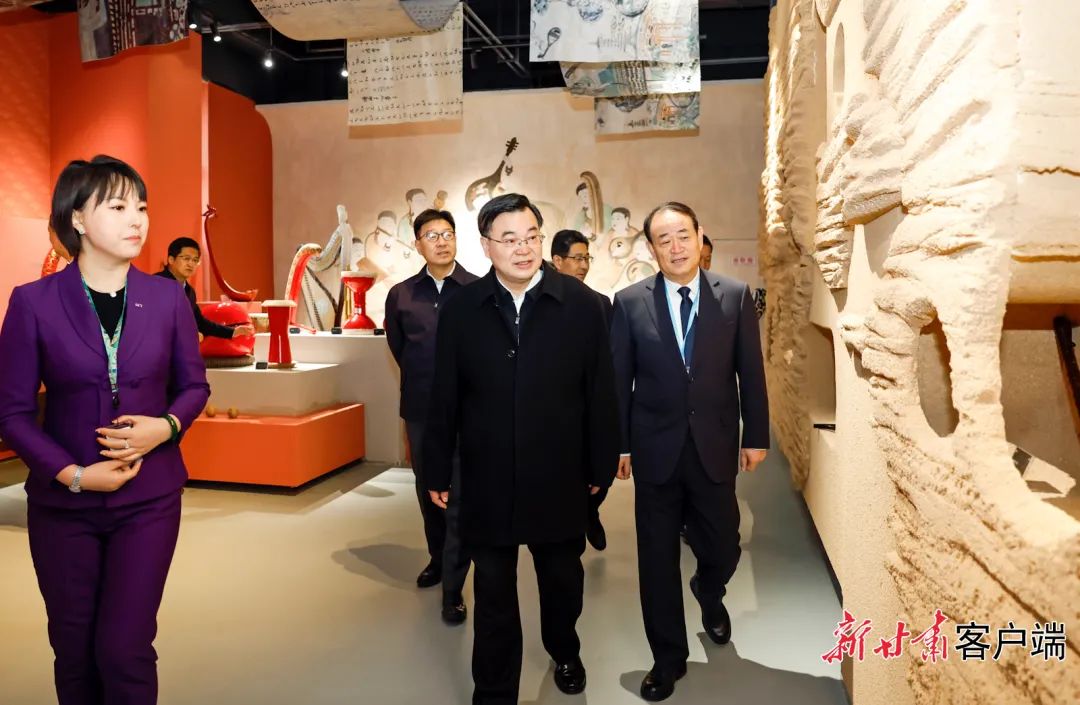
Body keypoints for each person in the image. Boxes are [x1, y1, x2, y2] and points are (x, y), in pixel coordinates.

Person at [0, 155, 210, 704]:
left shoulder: (167, 298)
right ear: (77, 218)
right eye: (117, 207)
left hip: (150, 500)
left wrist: (165, 427)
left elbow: (194, 387)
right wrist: (73, 475)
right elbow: (11, 412)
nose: (137, 219)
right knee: (73, 650)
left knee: (124, 648)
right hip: (62, 505)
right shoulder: (33, 302)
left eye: (141, 206)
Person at [423, 194, 619, 704]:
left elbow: (601, 391)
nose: (523, 248)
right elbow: (444, 395)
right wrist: (437, 469)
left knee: (562, 580)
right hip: (486, 477)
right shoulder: (462, 309)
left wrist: (600, 464)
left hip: (559, 475)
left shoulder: (583, 306)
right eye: (509, 239)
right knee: (493, 591)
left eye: (531, 236)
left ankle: (564, 648)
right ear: (486, 245)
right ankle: (494, 689)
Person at [610, 202, 769, 702]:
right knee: (656, 561)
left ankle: (709, 588)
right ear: (651, 248)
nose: (676, 247)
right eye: (664, 239)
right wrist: (620, 445)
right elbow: (619, 381)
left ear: (701, 236)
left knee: (724, 543)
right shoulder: (629, 302)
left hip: (714, 444)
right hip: (654, 447)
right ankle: (668, 658)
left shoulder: (735, 295)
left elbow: (751, 371)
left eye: (683, 235)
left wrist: (756, 435)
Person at [384, 208, 479, 625]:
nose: (441, 241)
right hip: (421, 408)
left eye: (447, 233)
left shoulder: (477, 289)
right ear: (418, 244)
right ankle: (437, 558)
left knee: (461, 496)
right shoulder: (402, 295)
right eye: (431, 235)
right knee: (429, 488)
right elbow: (398, 347)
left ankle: (453, 589)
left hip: (471, 410)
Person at [550, 228, 612, 551]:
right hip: (556, 407)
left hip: (592, 403)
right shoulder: (540, 302)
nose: (584, 265)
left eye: (587, 258)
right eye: (577, 258)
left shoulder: (600, 303)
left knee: (600, 470)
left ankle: (591, 510)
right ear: (557, 261)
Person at [155, 237, 255, 340]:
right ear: (171, 259)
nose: (191, 264)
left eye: (195, 260)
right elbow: (153, 321)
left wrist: (233, 331)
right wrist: (185, 334)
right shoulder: (154, 285)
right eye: (186, 258)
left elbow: (200, 323)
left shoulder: (189, 291)